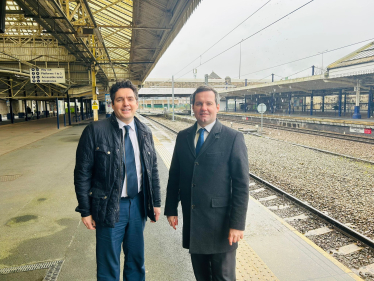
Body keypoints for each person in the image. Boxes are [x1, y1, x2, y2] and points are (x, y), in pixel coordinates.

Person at [74, 80, 161, 281]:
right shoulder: (95, 131)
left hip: (138, 204)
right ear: (112, 104)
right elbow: (82, 174)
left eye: (130, 99)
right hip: (108, 205)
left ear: (137, 103)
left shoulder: (145, 132)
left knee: (136, 261)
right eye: (120, 100)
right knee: (108, 264)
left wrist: (155, 202)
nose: (126, 104)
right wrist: (85, 210)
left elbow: (152, 170)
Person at [165, 85, 249, 281]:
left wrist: (237, 224)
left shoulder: (233, 138)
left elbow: (241, 185)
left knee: (223, 277)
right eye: (199, 103)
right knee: (201, 276)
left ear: (217, 107)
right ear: (193, 107)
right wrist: (171, 208)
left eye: (209, 103)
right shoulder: (183, 136)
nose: (204, 108)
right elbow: (175, 175)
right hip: (194, 221)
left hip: (221, 225)